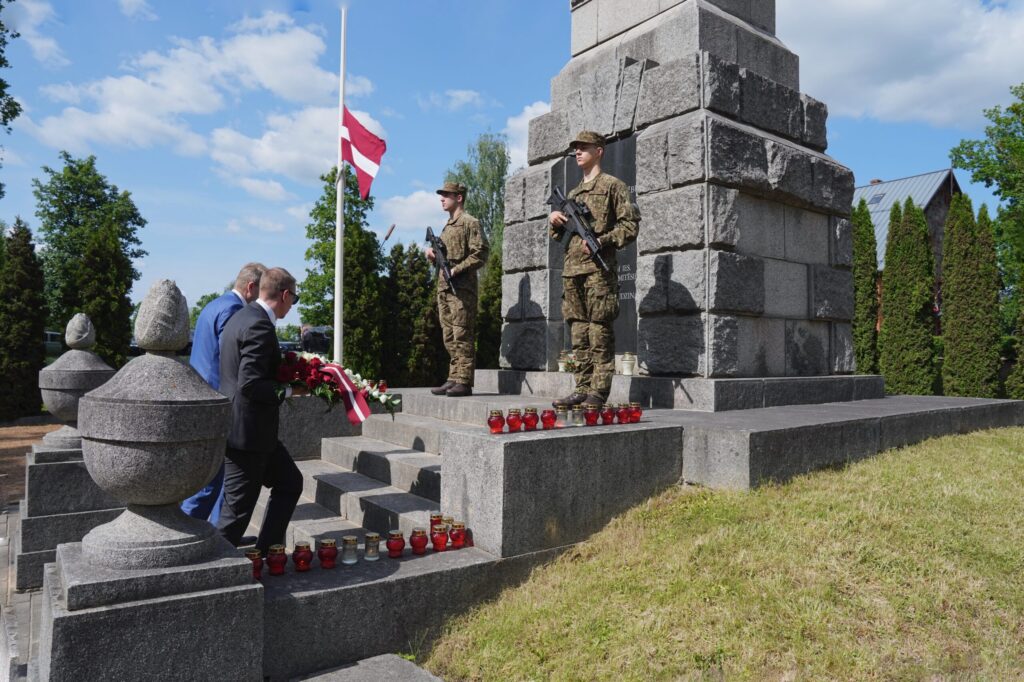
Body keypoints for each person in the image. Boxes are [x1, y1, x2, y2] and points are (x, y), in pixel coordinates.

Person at [217, 267, 306, 555]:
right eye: (294, 298)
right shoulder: (259, 325)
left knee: (290, 482)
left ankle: (268, 551)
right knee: (236, 516)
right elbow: (251, 385)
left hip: (251, 432)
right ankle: (205, 574)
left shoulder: (241, 317)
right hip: (248, 436)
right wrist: (294, 390)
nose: (292, 304)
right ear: (284, 295)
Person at [548, 131, 640, 408]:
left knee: (599, 332)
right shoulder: (574, 194)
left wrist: (602, 240)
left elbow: (629, 227)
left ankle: (598, 392)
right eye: (575, 148)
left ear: (599, 151)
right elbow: (561, 238)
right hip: (572, 271)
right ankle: (581, 387)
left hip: (599, 271)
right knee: (578, 333)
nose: (577, 152)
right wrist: (555, 221)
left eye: (583, 147)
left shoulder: (613, 186)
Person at [181, 262, 265, 525]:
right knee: (212, 480)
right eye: (261, 292)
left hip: (204, 397)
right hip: (220, 400)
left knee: (216, 478)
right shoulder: (234, 310)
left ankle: (218, 534)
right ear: (251, 287)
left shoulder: (214, 305)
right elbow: (234, 359)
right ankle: (186, 531)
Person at [426, 181, 489, 397]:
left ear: (459, 197)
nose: (442, 198)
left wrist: (456, 270)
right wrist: (432, 256)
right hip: (444, 288)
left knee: (462, 334)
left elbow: (480, 254)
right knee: (449, 335)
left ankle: (464, 380)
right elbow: (444, 257)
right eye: (441, 195)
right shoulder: (447, 227)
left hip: (462, 289)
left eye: (447, 195)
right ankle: (453, 377)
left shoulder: (470, 223)